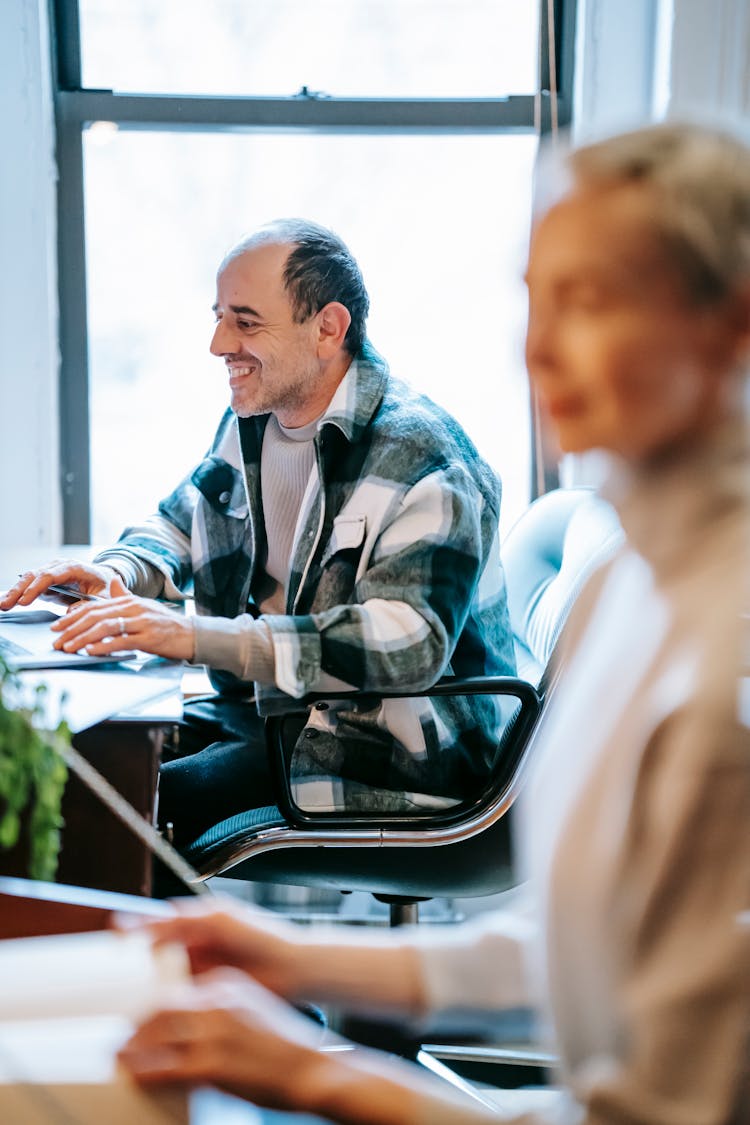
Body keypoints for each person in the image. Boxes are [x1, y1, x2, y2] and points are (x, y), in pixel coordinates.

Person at [117, 121, 749, 1124]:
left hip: (386, 747)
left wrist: (316, 1073)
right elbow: (587, 945)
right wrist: (289, 954)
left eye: (590, 301)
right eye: (533, 300)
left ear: (732, 324)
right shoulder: (643, 575)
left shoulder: (726, 671)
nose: (537, 346)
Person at [0, 219, 515, 843]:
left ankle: (165, 942)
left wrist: (193, 635)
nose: (218, 343)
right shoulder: (255, 414)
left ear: (329, 328)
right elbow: (182, 519)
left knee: (112, 813)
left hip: (389, 754)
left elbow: (407, 646)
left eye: (245, 322)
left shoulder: (427, 460)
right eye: (219, 316)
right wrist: (118, 572)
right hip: (265, 711)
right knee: (80, 762)